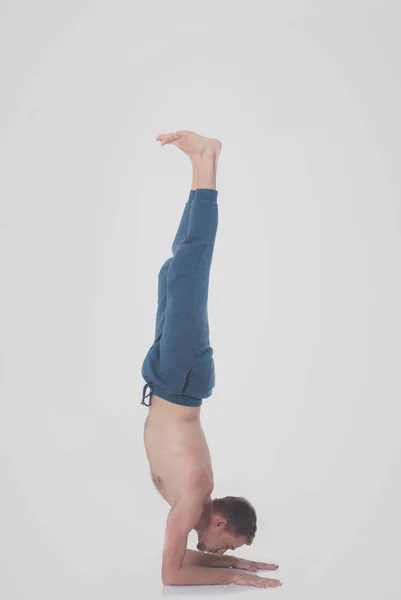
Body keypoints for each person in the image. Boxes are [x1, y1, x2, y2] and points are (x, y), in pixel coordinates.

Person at [140, 131, 281, 588]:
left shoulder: (193, 505)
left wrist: (234, 566)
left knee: (176, 268)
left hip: (169, 379)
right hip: (181, 378)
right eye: (229, 546)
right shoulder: (192, 500)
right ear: (221, 523)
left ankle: (200, 169)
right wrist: (235, 579)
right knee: (191, 268)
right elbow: (171, 575)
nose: (218, 550)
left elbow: (178, 565)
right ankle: (207, 163)